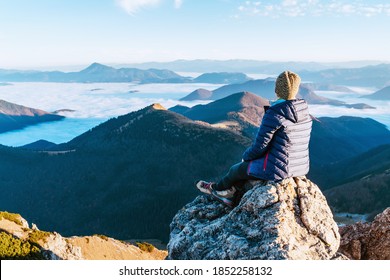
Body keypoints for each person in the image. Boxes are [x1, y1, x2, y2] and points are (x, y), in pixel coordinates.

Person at [196, 70, 312, 207]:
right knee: (246, 171)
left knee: (236, 169)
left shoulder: (275, 114)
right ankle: (232, 193)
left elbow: (260, 146)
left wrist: (246, 157)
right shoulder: (303, 112)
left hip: (277, 169)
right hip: (300, 166)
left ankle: (218, 191)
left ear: (277, 90)